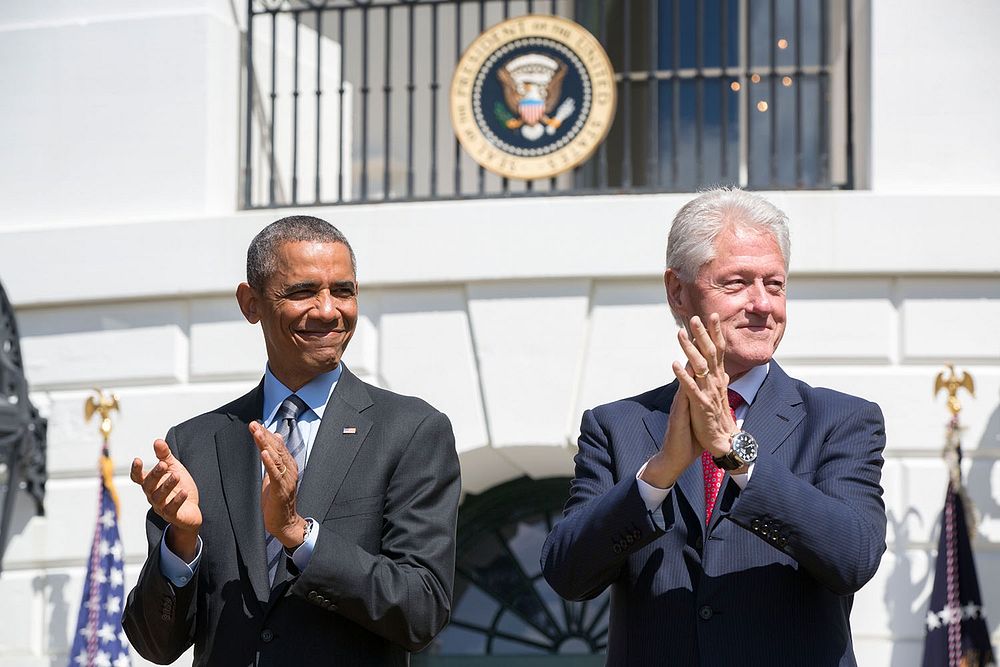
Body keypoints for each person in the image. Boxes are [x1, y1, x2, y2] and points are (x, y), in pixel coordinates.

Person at [540, 188, 887, 666]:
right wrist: (658, 474)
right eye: (737, 282)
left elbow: (853, 557)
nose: (763, 304)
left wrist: (736, 454)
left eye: (775, 284)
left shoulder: (839, 421)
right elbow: (568, 574)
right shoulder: (616, 427)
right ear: (678, 291)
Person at [123, 216, 461, 666]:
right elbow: (155, 645)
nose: (327, 310)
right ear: (251, 303)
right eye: (303, 292)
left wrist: (300, 537)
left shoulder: (411, 430)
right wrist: (182, 541)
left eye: (343, 290)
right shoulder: (197, 443)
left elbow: (421, 610)